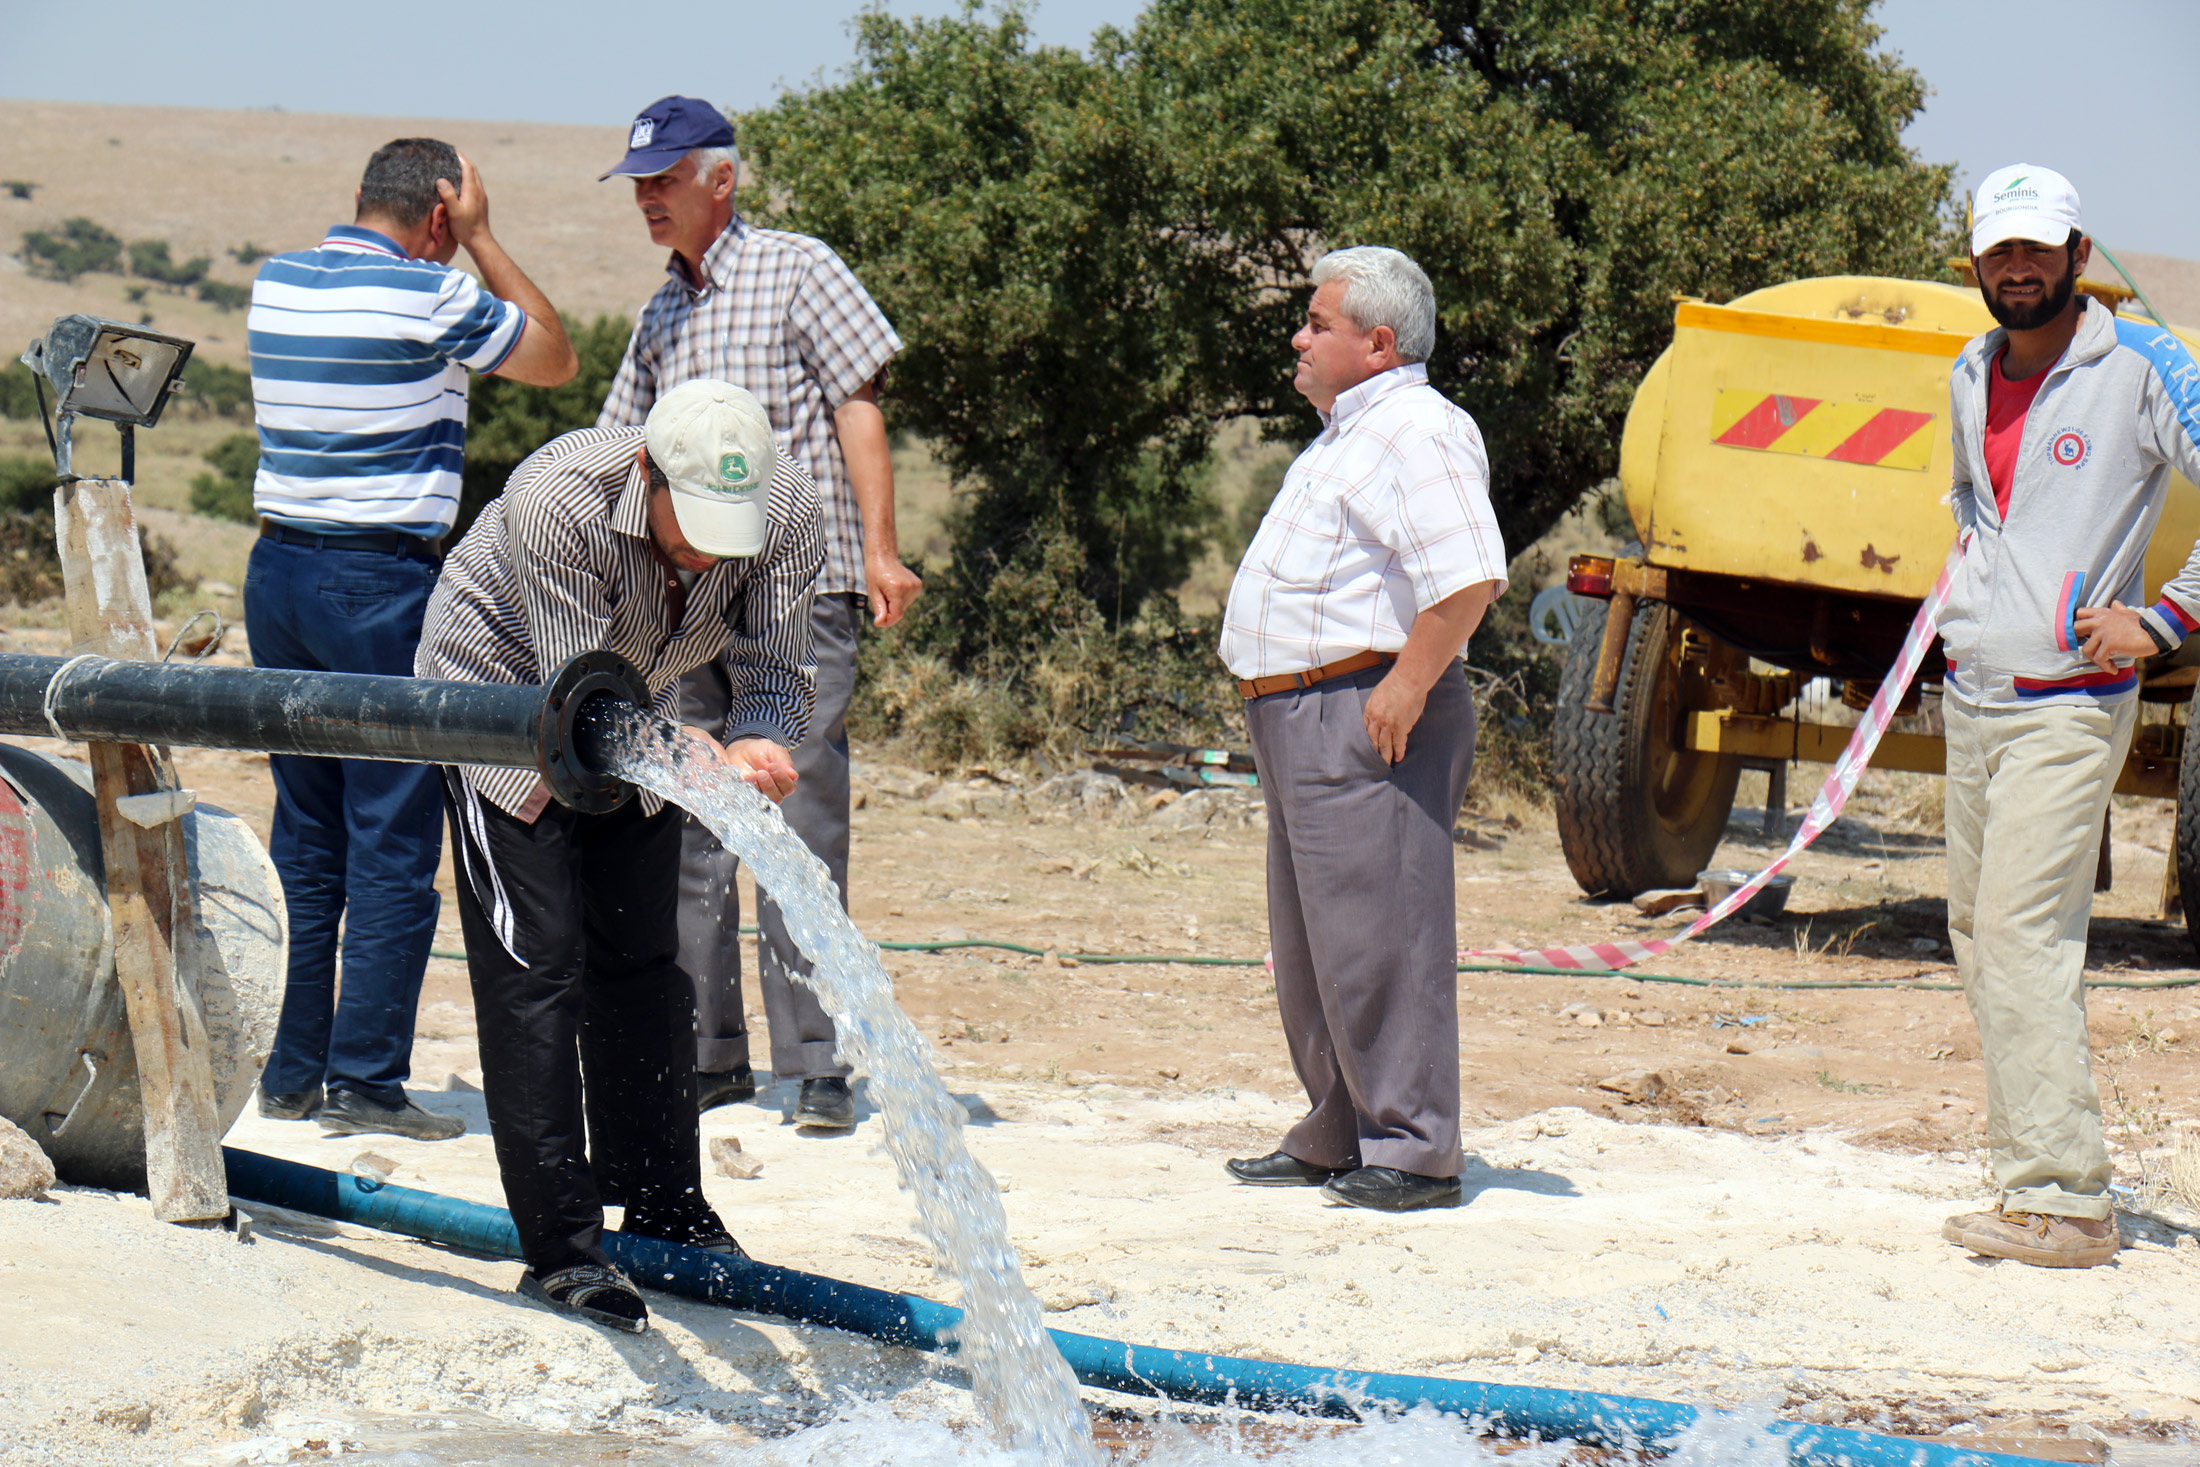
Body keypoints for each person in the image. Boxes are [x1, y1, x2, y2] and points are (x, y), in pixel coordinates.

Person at [416, 379, 821, 1331]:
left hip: (647, 711)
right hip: (506, 704)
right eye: (693, 523)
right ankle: (562, 1249)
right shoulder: (560, 496)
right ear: (646, 470)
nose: (711, 549)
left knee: (643, 964)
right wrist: (695, 753)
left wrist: (760, 736)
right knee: (539, 968)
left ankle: (666, 1207)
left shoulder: (789, 508)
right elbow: (583, 701)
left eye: (733, 526)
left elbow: (776, 660)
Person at [595, 95, 919, 1129]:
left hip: (795, 583)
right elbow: (619, 447)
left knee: (799, 807)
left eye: (663, 178)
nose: (647, 198)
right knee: (689, 809)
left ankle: (818, 1063)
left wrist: (879, 547)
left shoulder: (798, 267)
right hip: (686, 598)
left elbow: (857, 404)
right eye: (638, 182)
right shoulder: (660, 313)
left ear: (719, 181)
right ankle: (704, 1052)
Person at [245, 137, 578, 1140]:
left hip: (279, 573)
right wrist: (484, 239)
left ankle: (289, 1070)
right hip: (378, 580)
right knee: (391, 830)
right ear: (438, 215)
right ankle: (366, 1084)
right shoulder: (429, 295)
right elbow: (555, 358)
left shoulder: (278, 283)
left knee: (305, 831)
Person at [1937, 164, 2200, 1268]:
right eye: (2001, 250)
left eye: (2037, 249)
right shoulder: (1964, 368)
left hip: (2068, 704)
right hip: (1974, 699)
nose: (2018, 268)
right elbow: (1979, 523)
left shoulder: (2143, 364)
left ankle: (2066, 1200)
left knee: (2022, 935)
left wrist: (2169, 617)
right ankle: (2027, 1181)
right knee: (1977, 939)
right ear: (1975, 262)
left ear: (2077, 255)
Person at [1218, 247, 1507, 1213]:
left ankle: (1416, 1145)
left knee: (1386, 930)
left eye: (1318, 323)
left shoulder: (1418, 429)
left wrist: (1407, 683)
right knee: (1317, 939)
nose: (1298, 339)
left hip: (1366, 708)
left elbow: (1468, 575)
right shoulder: (1349, 434)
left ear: (1378, 343)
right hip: (1303, 711)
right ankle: (1340, 1127)